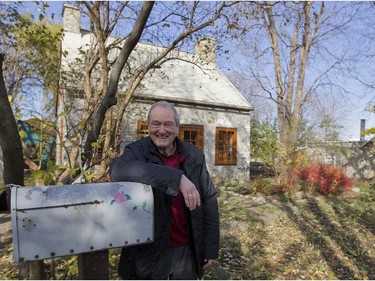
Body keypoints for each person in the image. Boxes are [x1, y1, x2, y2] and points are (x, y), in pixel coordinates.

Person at [109, 101, 220, 280]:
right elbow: (117, 170)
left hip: (186, 250)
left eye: (168, 124)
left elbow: (209, 199)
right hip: (147, 253)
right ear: (148, 126)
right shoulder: (137, 151)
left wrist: (209, 247)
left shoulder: (194, 155)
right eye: (156, 124)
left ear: (177, 127)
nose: (162, 130)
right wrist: (177, 178)